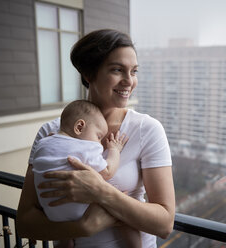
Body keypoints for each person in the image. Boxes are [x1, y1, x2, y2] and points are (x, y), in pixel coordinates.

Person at [16, 29, 175, 248]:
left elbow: (165, 223)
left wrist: (101, 191)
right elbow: (25, 224)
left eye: (134, 71)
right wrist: (83, 228)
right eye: (117, 70)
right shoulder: (51, 133)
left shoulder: (146, 129)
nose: (129, 81)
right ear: (89, 74)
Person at [32, 99, 140, 247]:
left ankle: (65, 242)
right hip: (76, 210)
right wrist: (114, 149)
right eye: (98, 136)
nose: (99, 143)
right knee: (123, 211)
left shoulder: (45, 142)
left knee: (64, 239)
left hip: (51, 212)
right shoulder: (85, 148)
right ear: (79, 127)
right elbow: (107, 171)